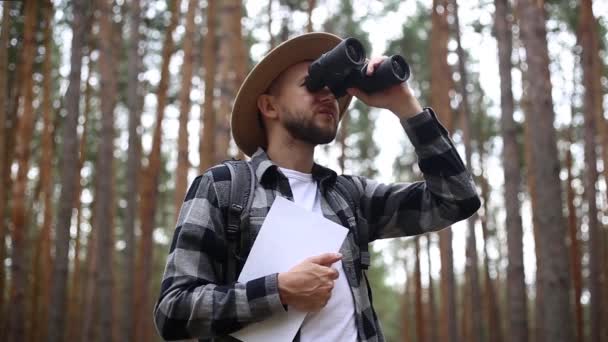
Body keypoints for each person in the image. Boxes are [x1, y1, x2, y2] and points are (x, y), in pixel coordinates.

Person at [153, 32, 480, 342]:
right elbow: (173, 310)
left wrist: (404, 105)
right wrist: (279, 291)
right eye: (311, 84)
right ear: (269, 106)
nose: (328, 95)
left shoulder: (349, 197)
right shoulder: (224, 187)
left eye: (332, 88)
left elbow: (456, 199)